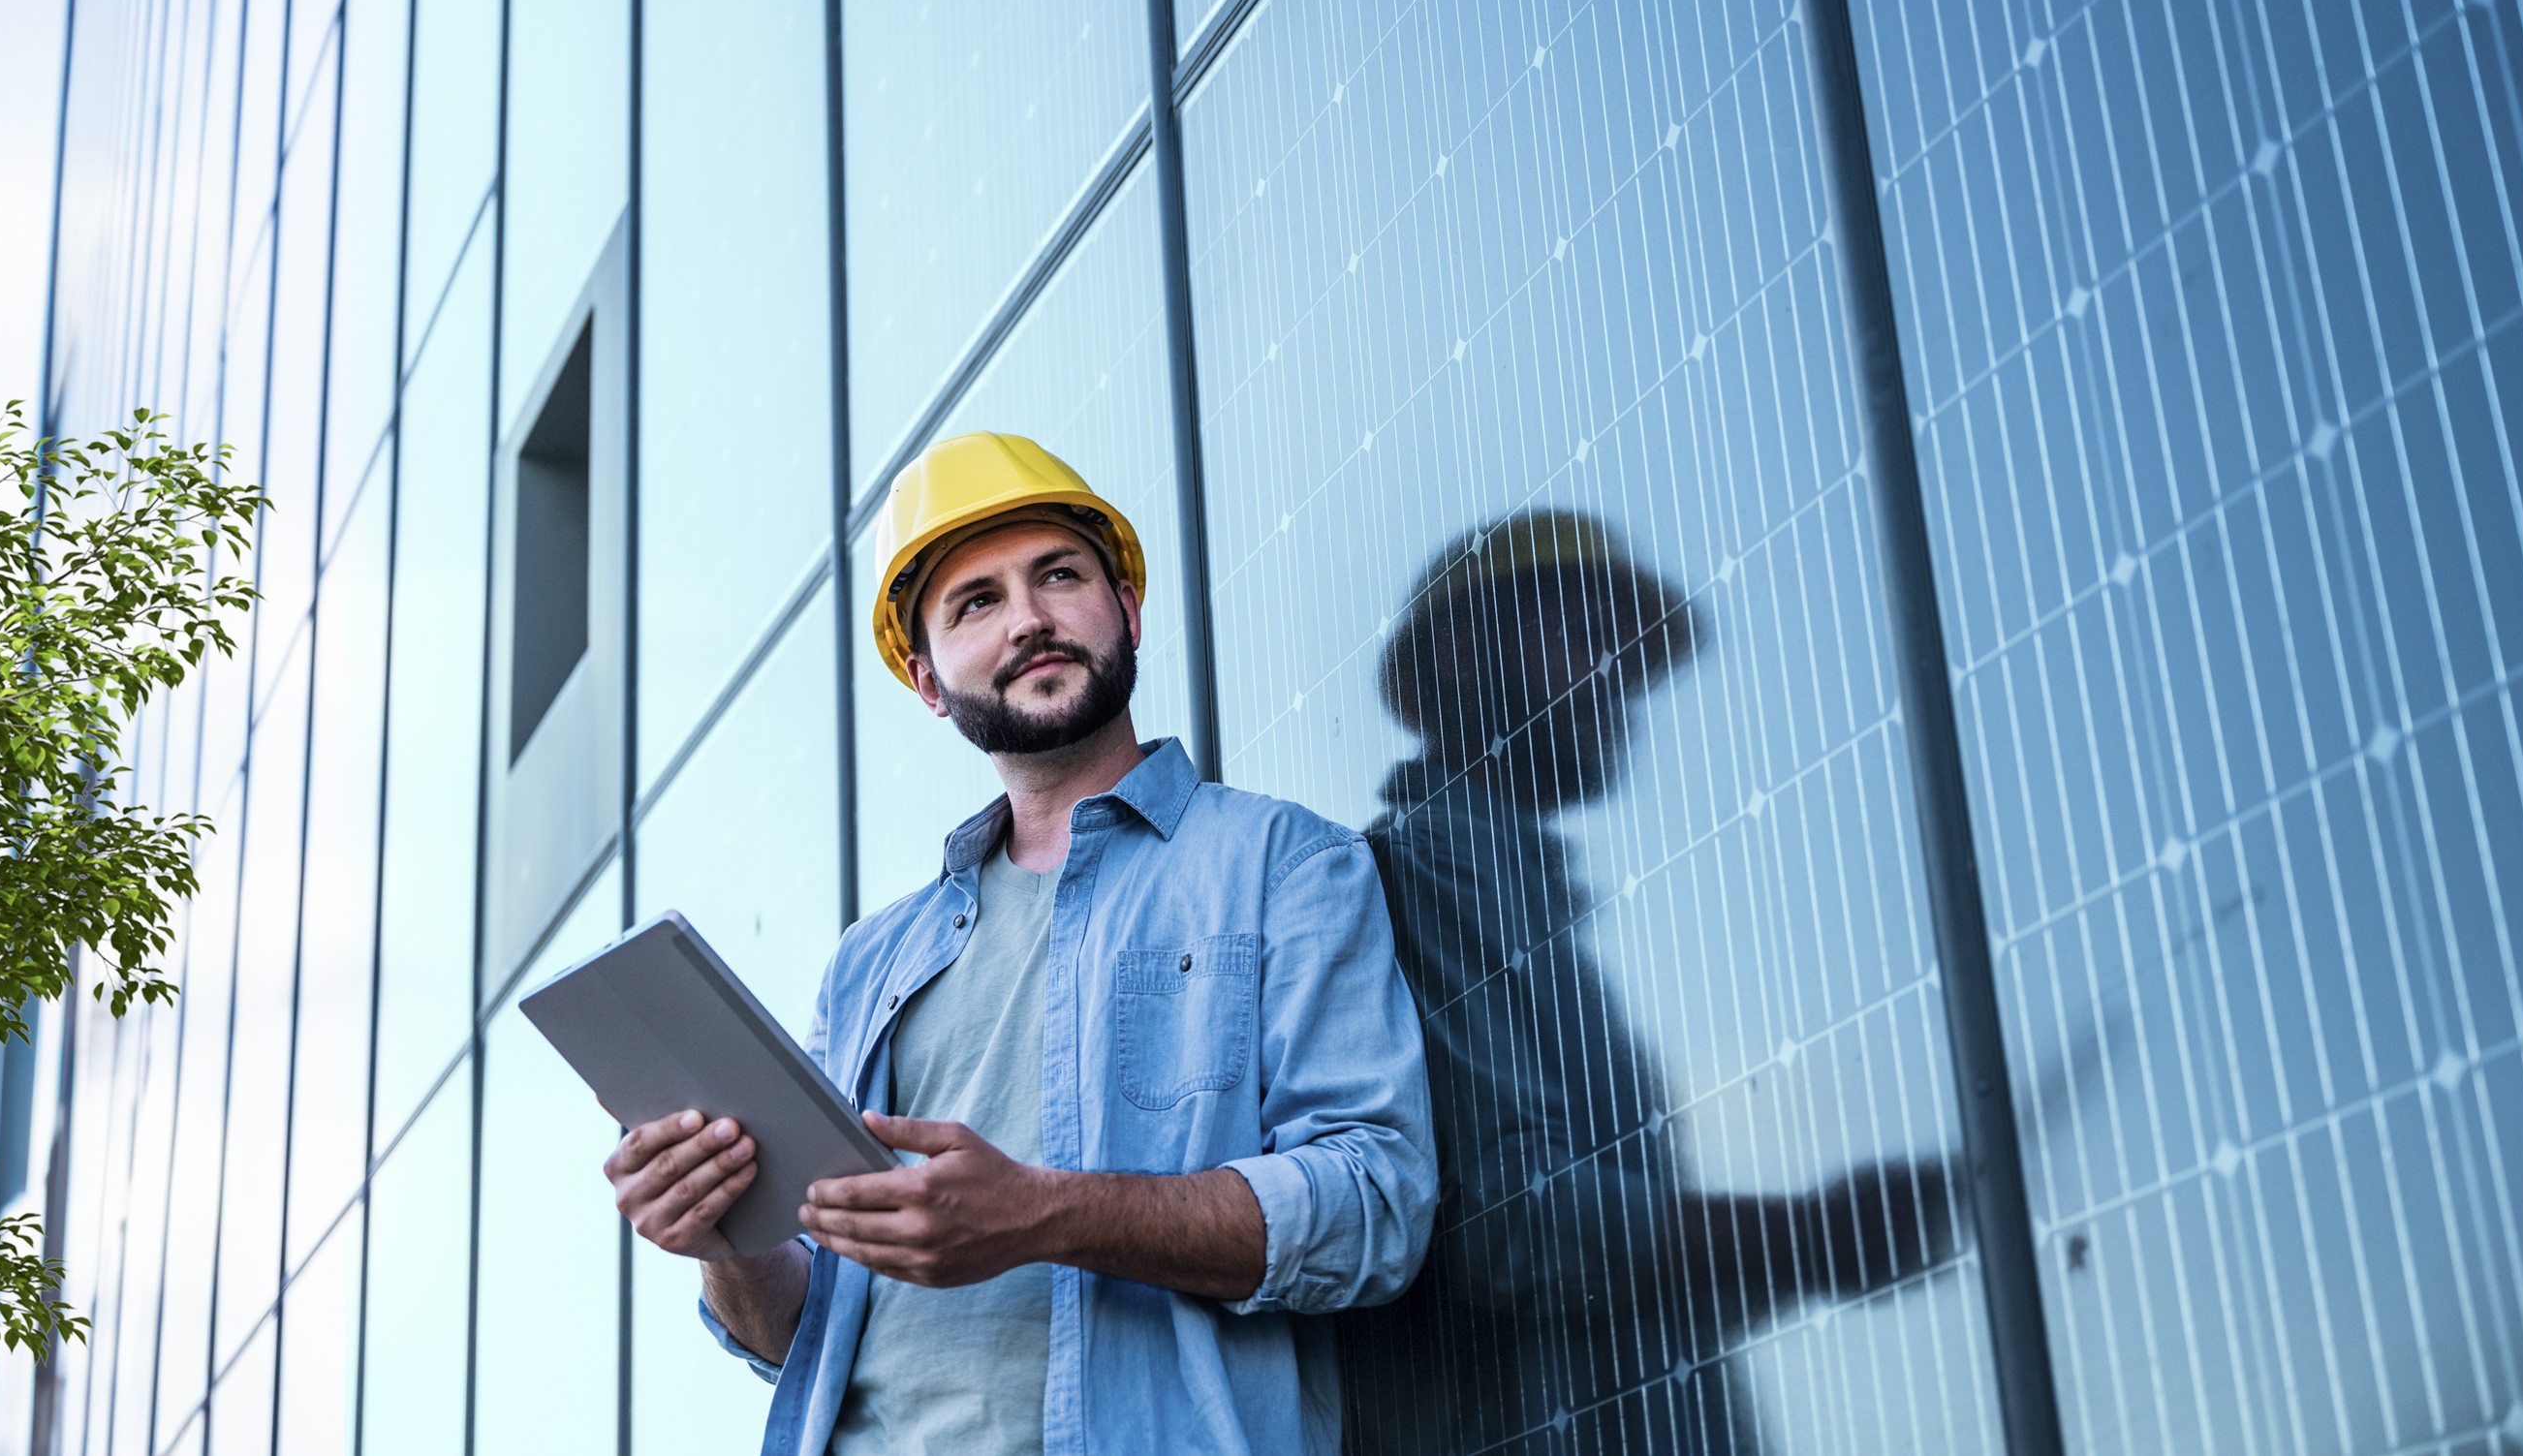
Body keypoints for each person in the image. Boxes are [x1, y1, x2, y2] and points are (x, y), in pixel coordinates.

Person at [603, 432, 1437, 1456]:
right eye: (976, 602)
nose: (1029, 618)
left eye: (1058, 575)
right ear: (928, 681)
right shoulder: (870, 964)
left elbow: (1377, 1204)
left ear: (1127, 609)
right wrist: (722, 1234)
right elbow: (793, 1330)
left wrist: (1043, 1212)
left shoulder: (1284, 865)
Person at [1339, 511, 1955, 1455]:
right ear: (1459, 651)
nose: (1620, 681)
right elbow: (1509, 1222)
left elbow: (1616, 1294)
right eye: (1586, 636)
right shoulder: (1418, 877)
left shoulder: (1526, 904)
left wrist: (1820, 1250)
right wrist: (1812, 1232)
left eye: (1631, 657)